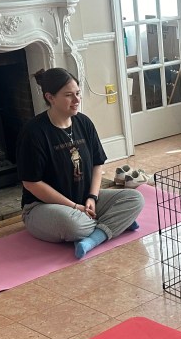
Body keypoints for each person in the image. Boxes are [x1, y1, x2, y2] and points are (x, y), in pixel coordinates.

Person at [17, 68, 144, 259]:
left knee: (135, 199)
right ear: (50, 97)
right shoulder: (34, 132)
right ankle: (115, 224)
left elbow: (97, 164)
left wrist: (92, 197)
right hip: (42, 208)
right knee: (74, 225)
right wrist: (75, 207)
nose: (77, 100)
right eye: (69, 95)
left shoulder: (84, 123)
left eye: (77, 93)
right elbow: (31, 183)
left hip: (84, 200)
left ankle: (94, 238)